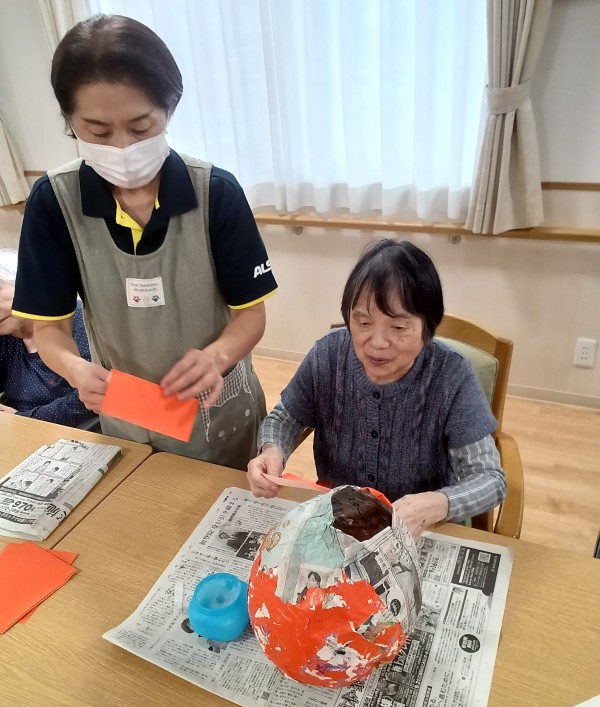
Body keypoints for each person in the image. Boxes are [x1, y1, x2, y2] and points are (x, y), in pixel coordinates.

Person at [12, 14, 277, 469]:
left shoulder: (215, 193)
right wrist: (76, 370)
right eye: (98, 131)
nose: (122, 148)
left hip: (220, 417)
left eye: (140, 128)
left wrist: (217, 356)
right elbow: (49, 330)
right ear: (70, 121)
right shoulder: (54, 202)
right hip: (128, 418)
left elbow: (250, 315)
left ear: (169, 107)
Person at [247, 239, 506, 538]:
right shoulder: (328, 355)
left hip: (420, 532)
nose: (378, 343)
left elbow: (490, 479)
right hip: (340, 527)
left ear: (427, 327)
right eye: (363, 323)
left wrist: (438, 504)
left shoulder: (451, 375)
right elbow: (283, 419)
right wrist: (272, 450)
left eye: (398, 327)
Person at [0, 262, 97, 426]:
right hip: (15, 430)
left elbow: (88, 400)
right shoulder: (6, 339)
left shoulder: (80, 321)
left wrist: (22, 418)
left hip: (70, 432)